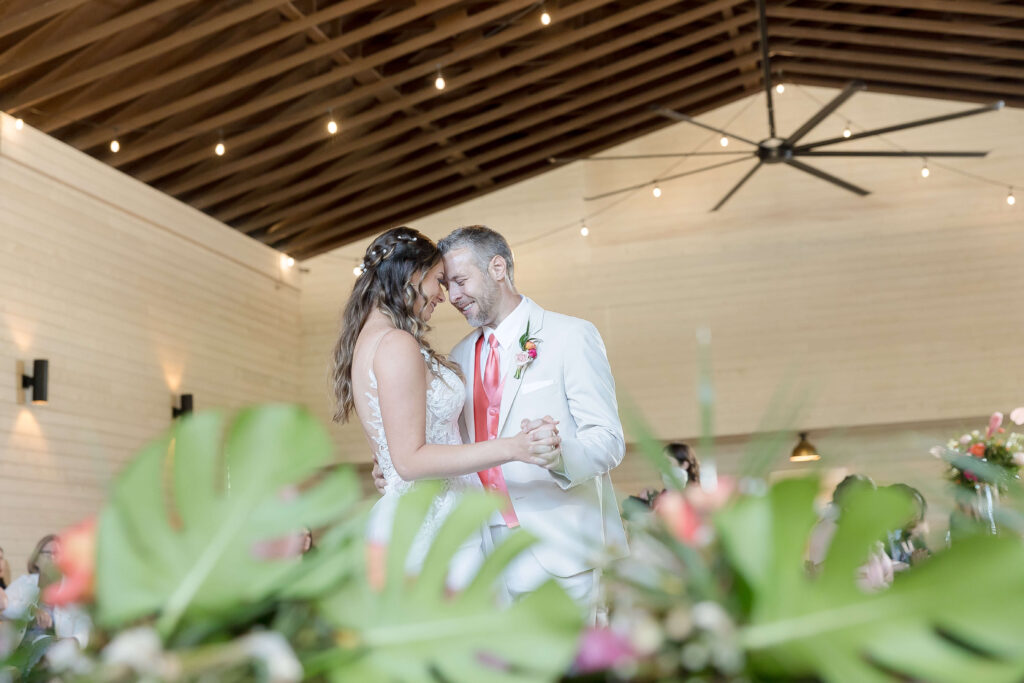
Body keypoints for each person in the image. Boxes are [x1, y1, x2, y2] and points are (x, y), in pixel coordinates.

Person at [378, 225, 628, 624]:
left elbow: (609, 441)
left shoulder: (571, 336)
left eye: (460, 280)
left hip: (564, 549)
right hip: (484, 553)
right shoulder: (455, 359)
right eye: (446, 284)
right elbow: (448, 444)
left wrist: (559, 455)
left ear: (498, 268)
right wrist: (396, 465)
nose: (453, 296)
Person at [332, 227, 560, 592]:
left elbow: (398, 455)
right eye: (438, 281)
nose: (443, 296)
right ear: (412, 276)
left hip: (428, 513)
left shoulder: (371, 340)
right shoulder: (396, 343)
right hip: (432, 521)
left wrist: (389, 468)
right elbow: (409, 460)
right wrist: (514, 447)